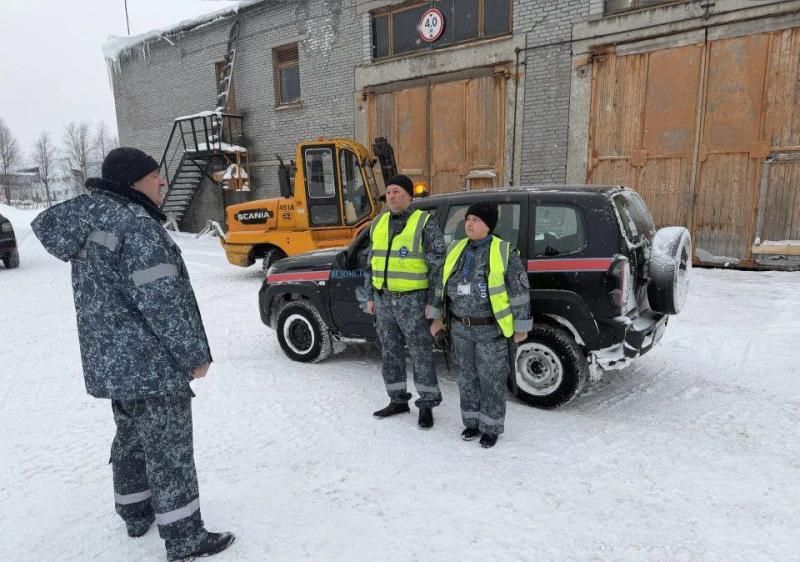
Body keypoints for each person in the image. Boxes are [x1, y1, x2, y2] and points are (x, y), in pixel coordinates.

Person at [31, 147, 234, 561]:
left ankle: (136, 512)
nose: (163, 181)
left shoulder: (95, 222)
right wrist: (193, 355)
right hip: (151, 366)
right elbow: (162, 302)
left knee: (131, 440)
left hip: (114, 365)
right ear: (133, 180)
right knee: (169, 451)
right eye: (155, 174)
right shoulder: (135, 225)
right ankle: (185, 538)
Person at [429, 203, 531, 448]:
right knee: (467, 378)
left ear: (488, 225)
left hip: (491, 330)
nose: (469, 223)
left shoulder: (503, 251)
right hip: (460, 328)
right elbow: (441, 284)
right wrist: (436, 317)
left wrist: (521, 326)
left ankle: (491, 427)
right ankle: (472, 422)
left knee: (492, 380)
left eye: (476, 219)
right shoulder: (456, 248)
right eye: (468, 219)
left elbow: (519, 292)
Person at [364, 174, 446, 428]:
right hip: (384, 300)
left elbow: (438, 267)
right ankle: (397, 400)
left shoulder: (424, 222)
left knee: (421, 353)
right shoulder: (378, 222)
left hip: (414, 301)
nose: (391, 196)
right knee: (390, 352)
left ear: (410, 195)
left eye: (397, 191)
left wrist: (433, 303)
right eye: (388, 192)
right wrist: (370, 295)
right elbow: (370, 263)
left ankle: (427, 404)